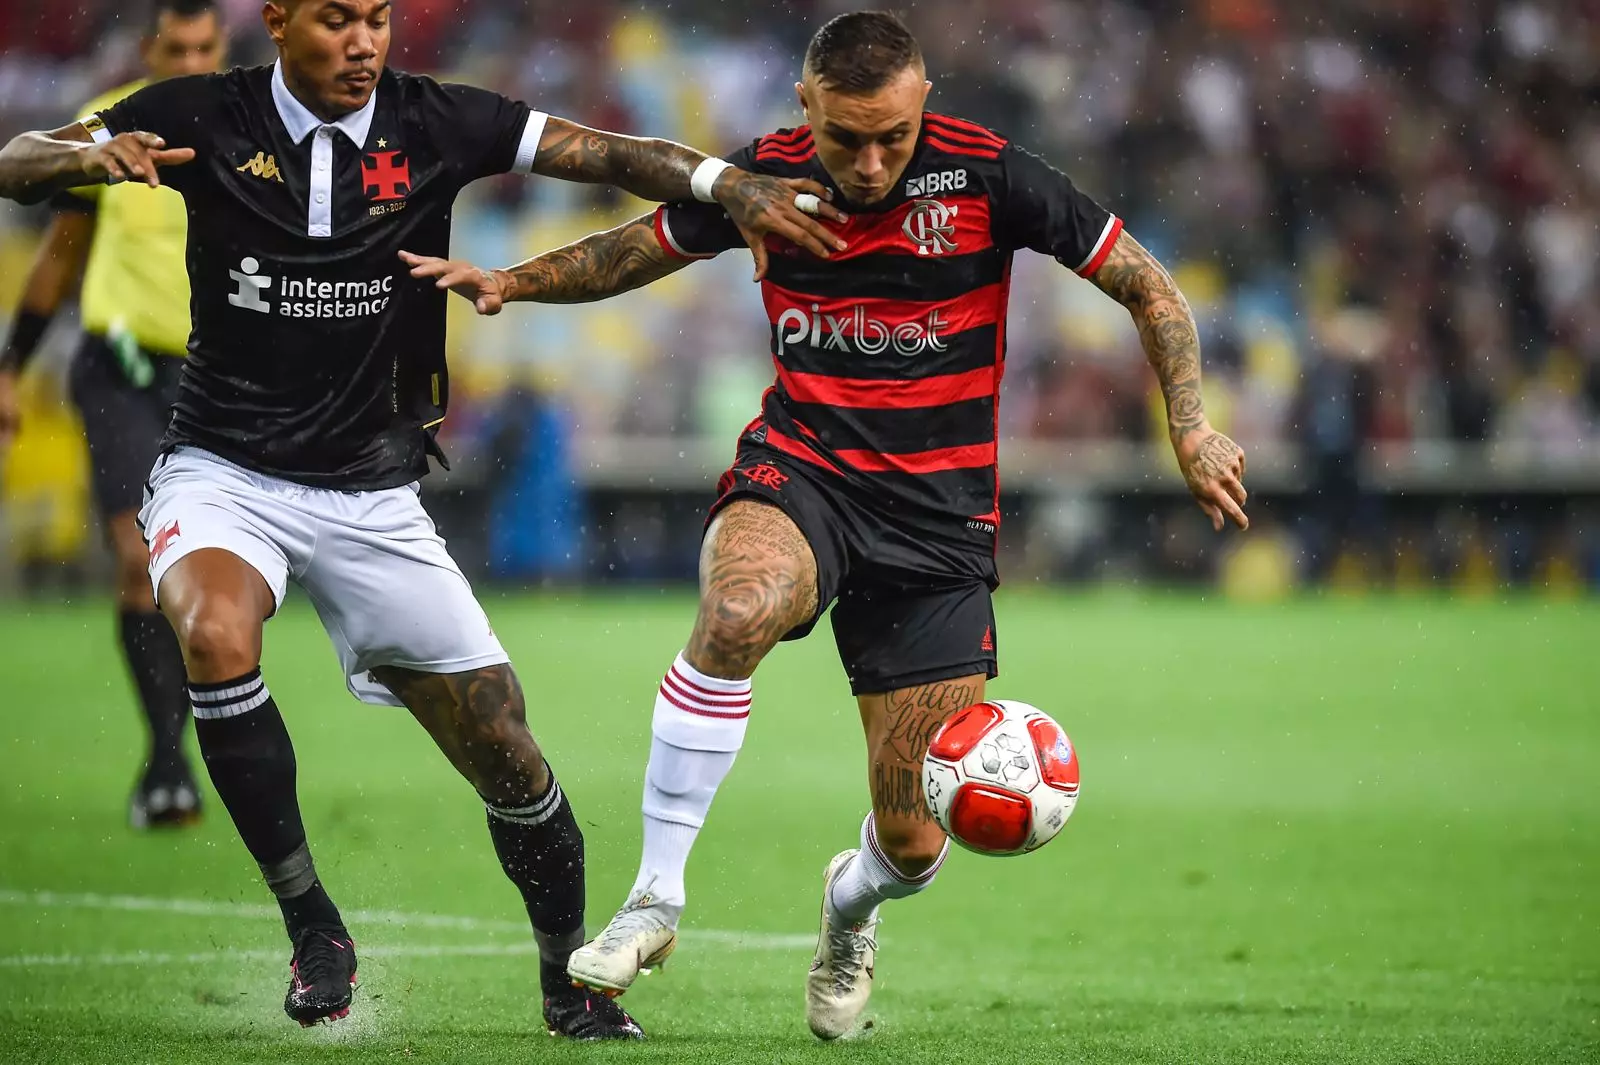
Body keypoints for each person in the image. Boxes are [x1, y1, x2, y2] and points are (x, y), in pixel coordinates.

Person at [0, 0, 844, 1041]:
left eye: (377, 20)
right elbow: (20, 160)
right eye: (336, 22)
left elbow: (610, 153)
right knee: (215, 632)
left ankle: (564, 982)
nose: (362, 43)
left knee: (504, 743)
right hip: (223, 472)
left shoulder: (435, 120)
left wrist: (730, 183)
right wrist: (76, 156)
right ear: (277, 22)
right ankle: (315, 927)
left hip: (371, 493)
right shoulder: (196, 114)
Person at [403, 9, 1251, 1041]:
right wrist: (514, 281)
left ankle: (850, 908)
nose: (870, 159)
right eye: (848, 137)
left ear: (923, 99)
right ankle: (655, 896)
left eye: (892, 135)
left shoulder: (988, 178)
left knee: (913, 840)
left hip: (937, 524)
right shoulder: (764, 181)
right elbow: (640, 248)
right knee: (736, 608)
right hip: (803, 472)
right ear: (805, 104)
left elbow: (1143, 282)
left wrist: (1192, 426)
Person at [0, 0, 225, 830]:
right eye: (177, 48)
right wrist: (11, 368)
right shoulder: (116, 131)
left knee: (199, 579)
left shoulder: (248, 127)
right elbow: (60, 260)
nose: (192, 60)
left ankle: (191, 749)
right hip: (123, 367)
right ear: (149, 49)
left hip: (217, 376)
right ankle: (167, 763)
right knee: (138, 559)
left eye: (205, 47)